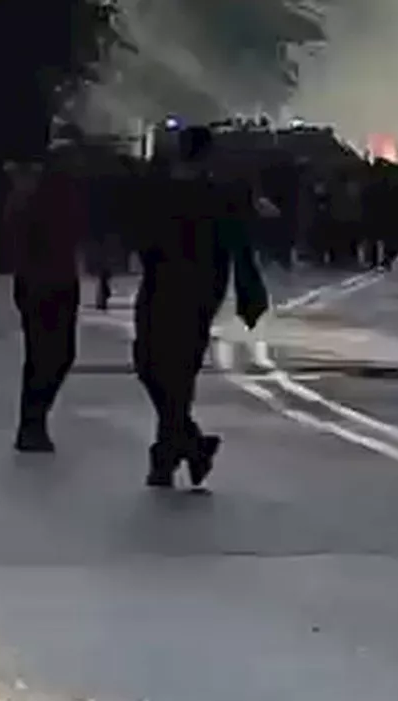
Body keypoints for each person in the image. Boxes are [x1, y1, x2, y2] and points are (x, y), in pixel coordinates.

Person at [134, 126, 269, 489]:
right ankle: (187, 444)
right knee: (155, 366)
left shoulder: (212, 195)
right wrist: (248, 289)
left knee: (165, 366)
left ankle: (168, 453)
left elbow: (237, 244)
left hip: (189, 288)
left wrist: (248, 287)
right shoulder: (169, 191)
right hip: (177, 285)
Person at [10, 149, 85, 453]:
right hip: (48, 281)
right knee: (52, 354)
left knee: (46, 354)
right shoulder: (39, 200)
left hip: (47, 280)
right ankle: (33, 421)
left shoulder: (39, 197)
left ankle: (33, 420)